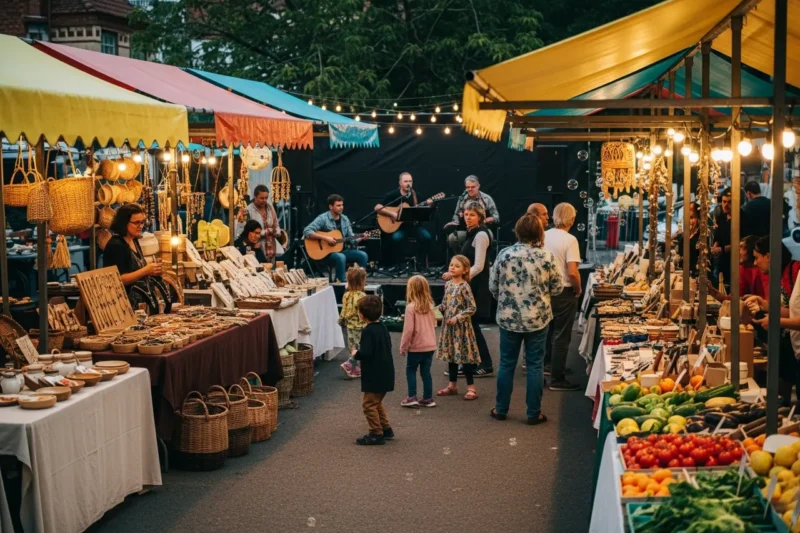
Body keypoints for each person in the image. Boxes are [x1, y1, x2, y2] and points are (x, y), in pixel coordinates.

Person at [489, 214, 563, 425]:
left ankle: (501, 409)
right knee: (535, 365)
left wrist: (506, 299)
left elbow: (493, 286)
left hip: (508, 318)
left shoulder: (504, 254)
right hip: (537, 319)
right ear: (539, 233)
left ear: (517, 231)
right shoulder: (546, 257)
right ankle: (533, 413)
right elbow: (557, 288)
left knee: (506, 364)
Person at [744, 237, 800, 406]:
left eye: (756, 257)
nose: (755, 263)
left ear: (768, 256)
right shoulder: (785, 275)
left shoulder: (794, 270)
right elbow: (792, 311)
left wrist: (775, 322)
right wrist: (765, 305)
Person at [444, 201, 494, 377]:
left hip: (476, 286)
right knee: (470, 326)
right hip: (469, 284)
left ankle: (483, 364)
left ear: (480, 217)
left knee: (472, 325)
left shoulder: (481, 235)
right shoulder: (472, 233)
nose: (468, 217)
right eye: (466, 214)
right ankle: (471, 364)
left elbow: (479, 265)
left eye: (472, 215)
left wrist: (460, 277)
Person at [103, 203, 171, 314]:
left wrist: (152, 270)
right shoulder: (116, 245)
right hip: (125, 307)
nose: (140, 226)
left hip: (141, 305)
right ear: (124, 222)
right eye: (136, 223)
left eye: (142, 222)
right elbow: (118, 280)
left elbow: (136, 269)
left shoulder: (133, 240)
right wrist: (145, 270)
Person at [543, 203, 582, 391]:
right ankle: (557, 379)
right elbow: (573, 272)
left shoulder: (543, 235)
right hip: (564, 291)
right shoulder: (570, 240)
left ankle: (549, 366)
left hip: (544, 291)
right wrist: (578, 289)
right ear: (572, 219)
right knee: (562, 334)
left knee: (548, 331)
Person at [350, 295, 395, 446]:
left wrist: (356, 353)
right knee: (377, 402)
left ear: (361, 315)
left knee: (368, 405)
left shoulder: (368, 331)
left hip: (374, 374)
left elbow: (367, 353)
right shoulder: (383, 327)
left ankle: (376, 433)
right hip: (386, 371)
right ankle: (385, 428)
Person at [436, 255, 481, 401]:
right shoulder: (448, 284)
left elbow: (472, 307)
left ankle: (471, 388)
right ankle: (452, 385)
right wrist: (433, 310)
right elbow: (444, 304)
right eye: (451, 265)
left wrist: (458, 317)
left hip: (461, 328)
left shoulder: (465, 286)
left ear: (465, 270)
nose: (452, 267)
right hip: (449, 327)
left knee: (465, 357)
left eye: (456, 266)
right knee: (452, 356)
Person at [304, 194, 369, 282]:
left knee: (362, 255)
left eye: (342, 205)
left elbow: (351, 238)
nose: (341, 207)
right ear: (331, 207)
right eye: (338, 205)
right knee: (340, 257)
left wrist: (361, 237)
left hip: (341, 250)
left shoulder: (345, 219)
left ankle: (359, 282)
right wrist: (326, 238)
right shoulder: (323, 218)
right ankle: (340, 283)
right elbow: (307, 231)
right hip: (326, 254)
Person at [374, 172, 432, 267]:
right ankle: (397, 265)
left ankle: (420, 264)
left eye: (410, 181)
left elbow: (424, 213)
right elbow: (377, 207)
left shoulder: (417, 196)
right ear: (400, 183)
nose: (408, 183)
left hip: (414, 226)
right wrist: (392, 213)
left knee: (427, 237)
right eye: (405, 181)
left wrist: (428, 205)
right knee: (395, 238)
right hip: (400, 227)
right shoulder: (393, 195)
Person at [399, 275, 437, 408]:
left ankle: (411, 396)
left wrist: (403, 346)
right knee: (426, 372)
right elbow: (434, 324)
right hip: (430, 345)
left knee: (411, 370)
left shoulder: (410, 307)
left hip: (416, 346)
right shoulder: (430, 306)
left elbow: (408, 330)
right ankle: (428, 398)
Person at [445, 176, 500, 254]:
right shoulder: (462, 199)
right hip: (466, 231)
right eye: (467, 187)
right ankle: (461, 259)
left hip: (482, 230)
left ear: (478, 186)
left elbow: (496, 217)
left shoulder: (486, 199)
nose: (470, 189)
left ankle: (483, 259)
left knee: (490, 236)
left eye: (472, 187)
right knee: (452, 238)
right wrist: (455, 222)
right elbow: (456, 214)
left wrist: (486, 220)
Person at [708, 235, 766, 302]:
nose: (737, 251)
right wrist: (713, 292)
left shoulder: (763, 268)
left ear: (751, 249)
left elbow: (770, 303)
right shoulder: (743, 268)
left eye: (741, 247)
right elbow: (732, 300)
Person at [712, 187, 750, 287]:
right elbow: (718, 236)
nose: (725, 205)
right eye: (724, 202)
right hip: (721, 262)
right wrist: (715, 247)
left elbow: (742, 243)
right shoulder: (722, 216)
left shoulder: (743, 218)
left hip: (736, 262)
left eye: (729, 202)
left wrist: (722, 249)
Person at [235, 184, 281, 262]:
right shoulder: (248, 210)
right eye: (261, 198)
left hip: (271, 248)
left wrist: (277, 231)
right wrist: (267, 232)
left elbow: (276, 224)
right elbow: (243, 232)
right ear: (255, 197)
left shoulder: (270, 208)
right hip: (257, 249)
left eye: (266, 198)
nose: (264, 200)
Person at [339, 266, 367, 379]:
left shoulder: (346, 295)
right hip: (360, 327)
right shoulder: (362, 296)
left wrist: (341, 321)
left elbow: (343, 310)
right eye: (364, 280)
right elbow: (363, 313)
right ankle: (349, 364)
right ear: (361, 281)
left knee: (353, 347)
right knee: (360, 347)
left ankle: (355, 370)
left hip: (349, 326)